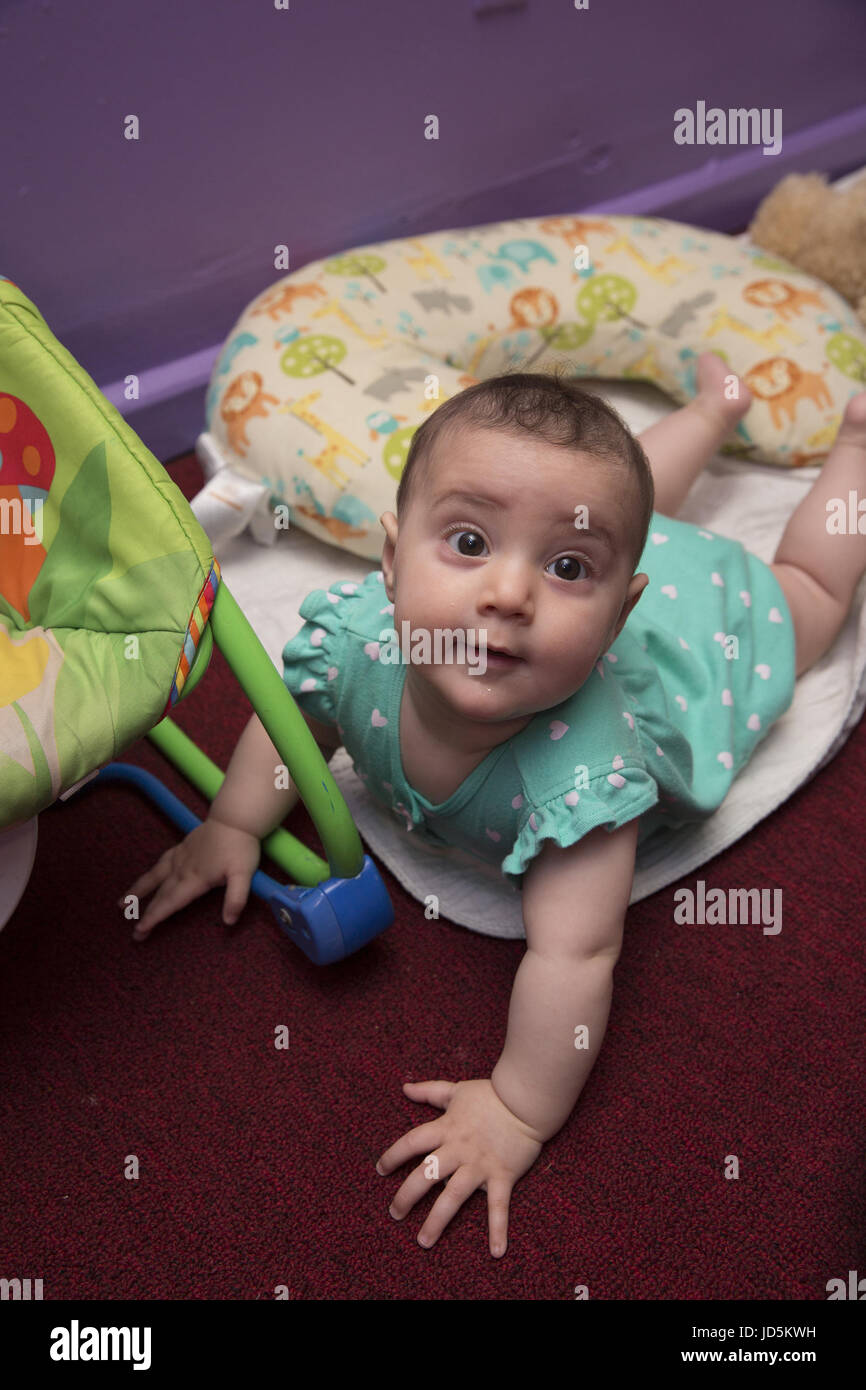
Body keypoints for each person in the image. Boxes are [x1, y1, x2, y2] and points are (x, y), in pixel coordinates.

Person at [119, 353, 866, 1258]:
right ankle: (715, 411)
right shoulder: (357, 642)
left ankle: (855, 449)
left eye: (562, 570)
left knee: (808, 593)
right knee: (622, 507)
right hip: (630, 554)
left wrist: (517, 1106)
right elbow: (292, 730)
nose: (507, 594)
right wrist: (234, 825)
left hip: (703, 642)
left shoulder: (582, 791)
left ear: (616, 618)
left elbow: (576, 955)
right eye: (469, 543)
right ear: (392, 562)